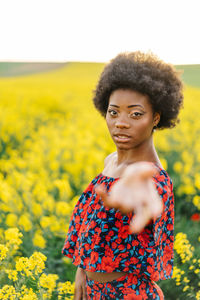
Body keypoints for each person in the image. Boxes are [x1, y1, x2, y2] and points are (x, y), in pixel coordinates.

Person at [62, 51, 183, 299]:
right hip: (93, 290)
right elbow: (93, 229)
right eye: (114, 112)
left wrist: (134, 199)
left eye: (135, 114)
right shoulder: (110, 162)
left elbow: (144, 191)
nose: (121, 123)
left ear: (156, 118)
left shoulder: (150, 177)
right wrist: (82, 269)